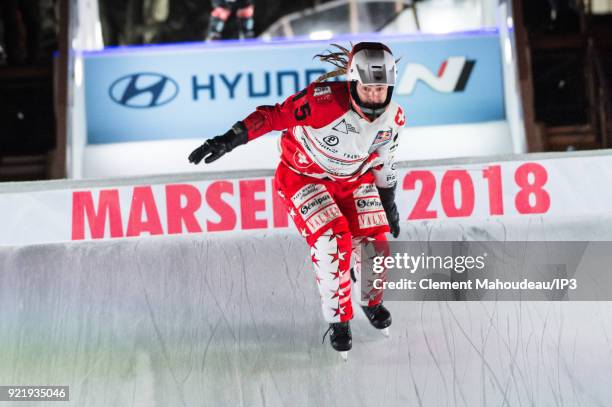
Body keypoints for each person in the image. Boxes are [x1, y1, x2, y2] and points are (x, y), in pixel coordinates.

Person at [189, 42, 404, 356]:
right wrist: (228, 139)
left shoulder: (394, 119)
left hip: (352, 180)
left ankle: (371, 301)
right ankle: (339, 320)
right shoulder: (323, 102)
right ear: (353, 82)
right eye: (368, 89)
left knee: (378, 245)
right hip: (302, 176)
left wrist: (389, 202)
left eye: (381, 89)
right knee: (333, 243)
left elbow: (386, 160)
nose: (375, 97)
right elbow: (274, 116)